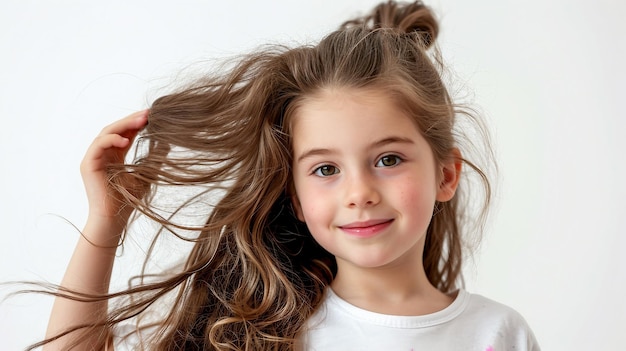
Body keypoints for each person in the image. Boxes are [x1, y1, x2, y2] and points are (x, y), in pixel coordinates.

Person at [38, 1, 539, 350]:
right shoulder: (261, 333)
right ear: (295, 197)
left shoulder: (500, 334)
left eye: (388, 159)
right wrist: (105, 224)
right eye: (325, 169)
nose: (359, 193)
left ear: (447, 175)